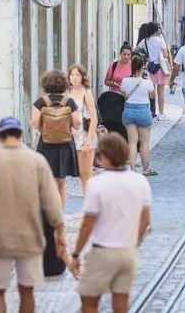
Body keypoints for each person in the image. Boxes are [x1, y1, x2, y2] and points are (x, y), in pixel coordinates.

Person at [0, 117, 66, 313]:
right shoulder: (37, 161)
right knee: (27, 291)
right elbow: (52, 201)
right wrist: (59, 231)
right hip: (29, 237)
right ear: (20, 135)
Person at [71, 133, 152, 313]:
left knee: (89, 302)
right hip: (127, 253)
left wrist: (76, 253)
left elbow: (88, 223)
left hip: (103, 252)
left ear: (105, 157)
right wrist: (135, 241)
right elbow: (146, 220)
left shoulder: (96, 184)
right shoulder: (140, 182)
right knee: (121, 304)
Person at [32, 69, 82, 210]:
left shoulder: (41, 102)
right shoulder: (69, 102)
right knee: (61, 182)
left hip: (46, 145)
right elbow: (77, 124)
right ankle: (60, 214)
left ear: (45, 84)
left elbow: (35, 124)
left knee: (48, 181)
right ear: (65, 84)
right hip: (65, 145)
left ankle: (49, 213)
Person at [121, 55, 157, 176]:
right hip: (143, 111)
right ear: (142, 67)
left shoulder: (125, 81)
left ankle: (132, 170)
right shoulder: (147, 82)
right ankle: (146, 169)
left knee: (132, 142)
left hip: (129, 111)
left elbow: (124, 95)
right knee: (144, 142)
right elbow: (152, 96)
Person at [68, 64, 98, 194]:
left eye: (77, 75)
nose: (74, 78)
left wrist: (88, 141)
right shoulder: (67, 93)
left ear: (82, 77)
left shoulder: (87, 93)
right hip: (72, 137)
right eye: (72, 75)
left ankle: (90, 207)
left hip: (85, 135)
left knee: (87, 174)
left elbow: (94, 119)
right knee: (80, 173)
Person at [142, 22, 172, 120]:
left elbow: (136, 49)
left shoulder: (145, 41)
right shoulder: (160, 41)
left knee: (151, 90)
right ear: (156, 30)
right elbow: (165, 55)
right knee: (161, 92)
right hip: (160, 68)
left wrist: (146, 57)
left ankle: (151, 111)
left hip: (150, 68)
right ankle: (161, 113)